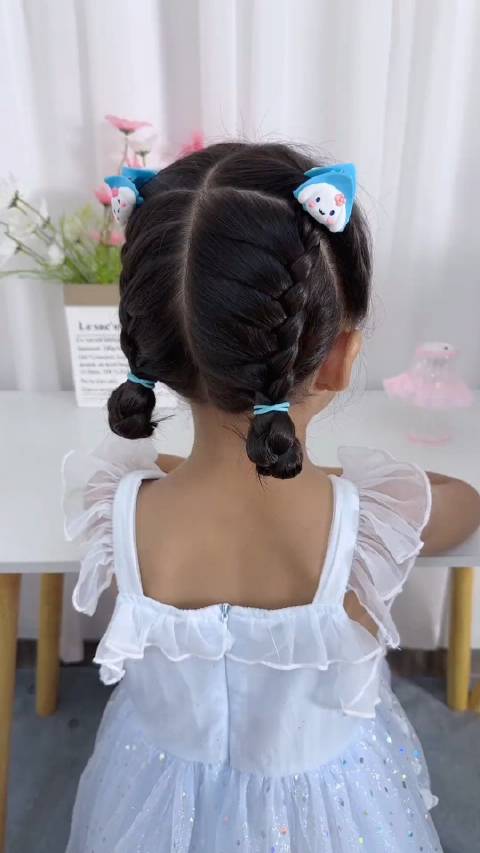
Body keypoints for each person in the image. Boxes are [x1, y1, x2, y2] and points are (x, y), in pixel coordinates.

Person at [63, 142, 480, 852]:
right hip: (331, 814)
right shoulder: (370, 522)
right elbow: (463, 500)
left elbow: (174, 476)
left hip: (152, 794)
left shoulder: (117, 507)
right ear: (341, 358)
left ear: (150, 350)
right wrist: (341, 484)